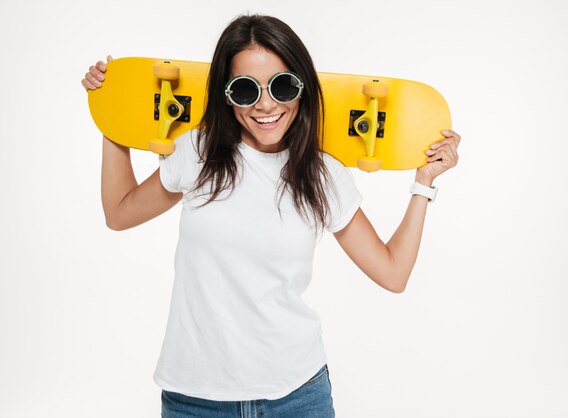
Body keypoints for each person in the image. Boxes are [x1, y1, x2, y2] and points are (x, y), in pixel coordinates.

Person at [82, 14, 460, 418]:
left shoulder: (323, 174)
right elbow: (119, 213)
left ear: (302, 87)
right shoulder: (197, 152)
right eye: (246, 90)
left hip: (297, 395)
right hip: (195, 398)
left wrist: (424, 183)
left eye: (282, 86)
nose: (266, 105)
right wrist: (113, 116)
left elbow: (393, 273)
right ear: (226, 95)